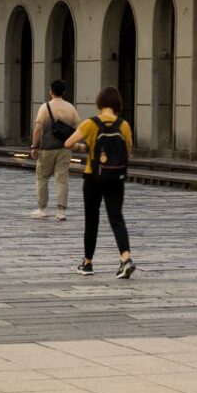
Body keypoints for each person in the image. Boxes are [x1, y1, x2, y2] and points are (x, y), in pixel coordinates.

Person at [66, 85, 135, 279]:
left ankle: (88, 263)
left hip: (93, 176)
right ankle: (125, 259)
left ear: (99, 102)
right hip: (116, 176)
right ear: (117, 104)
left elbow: (68, 143)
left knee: (92, 219)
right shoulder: (123, 125)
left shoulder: (91, 124)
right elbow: (128, 151)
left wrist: (84, 147)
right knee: (116, 217)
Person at [30, 79, 80, 221]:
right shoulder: (71, 108)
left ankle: (42, 208)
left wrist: (34, 146)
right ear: (64, 92)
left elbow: (38, 128)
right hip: (65, 149)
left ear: (51, 91)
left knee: (42, 177)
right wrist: (74, 144)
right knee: (62, 179)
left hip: (47, 149)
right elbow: (78, 128)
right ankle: (60, 211)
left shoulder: (45, 107)